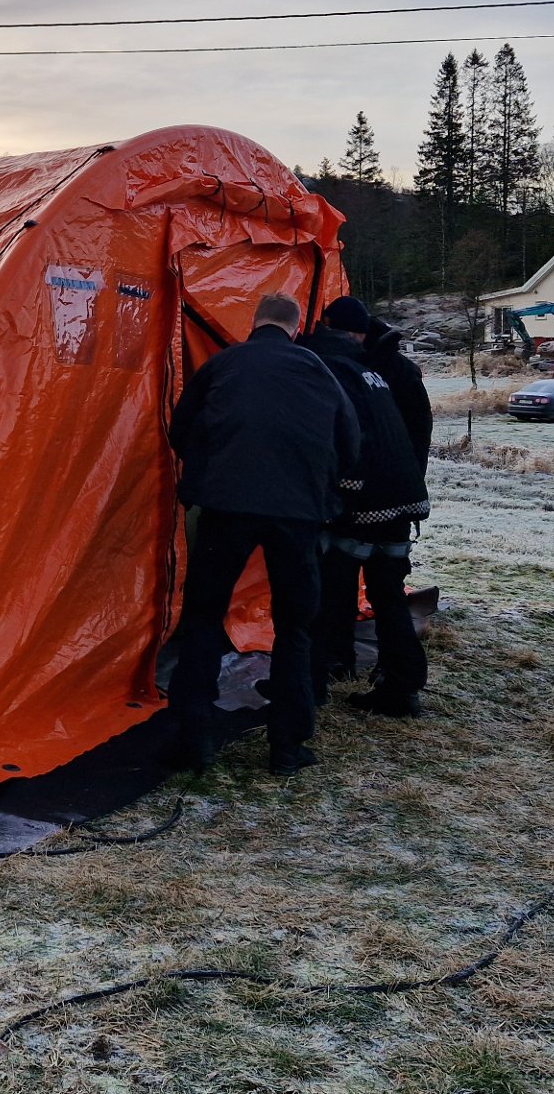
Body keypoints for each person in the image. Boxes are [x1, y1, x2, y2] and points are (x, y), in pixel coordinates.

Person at [166, 291, 360, 774]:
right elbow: (351, 442)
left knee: (204, 617)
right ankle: (287, 748)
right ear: (295, 328)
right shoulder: (317, 368)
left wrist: (210, 472)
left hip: (226, 508)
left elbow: (178, 429)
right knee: (294, 627)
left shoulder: (223, 364)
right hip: (297, 515)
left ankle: (192, 744)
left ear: (254, 324)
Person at [300, 296, 432, 717]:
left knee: (330, 586)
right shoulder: (382, 370)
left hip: (364, 501)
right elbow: (414, 439)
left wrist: (337, 493)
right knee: (387, 593)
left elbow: (349, 440)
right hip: (401, 498)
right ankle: (400, 685)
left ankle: (317, 678)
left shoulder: (347, 370)